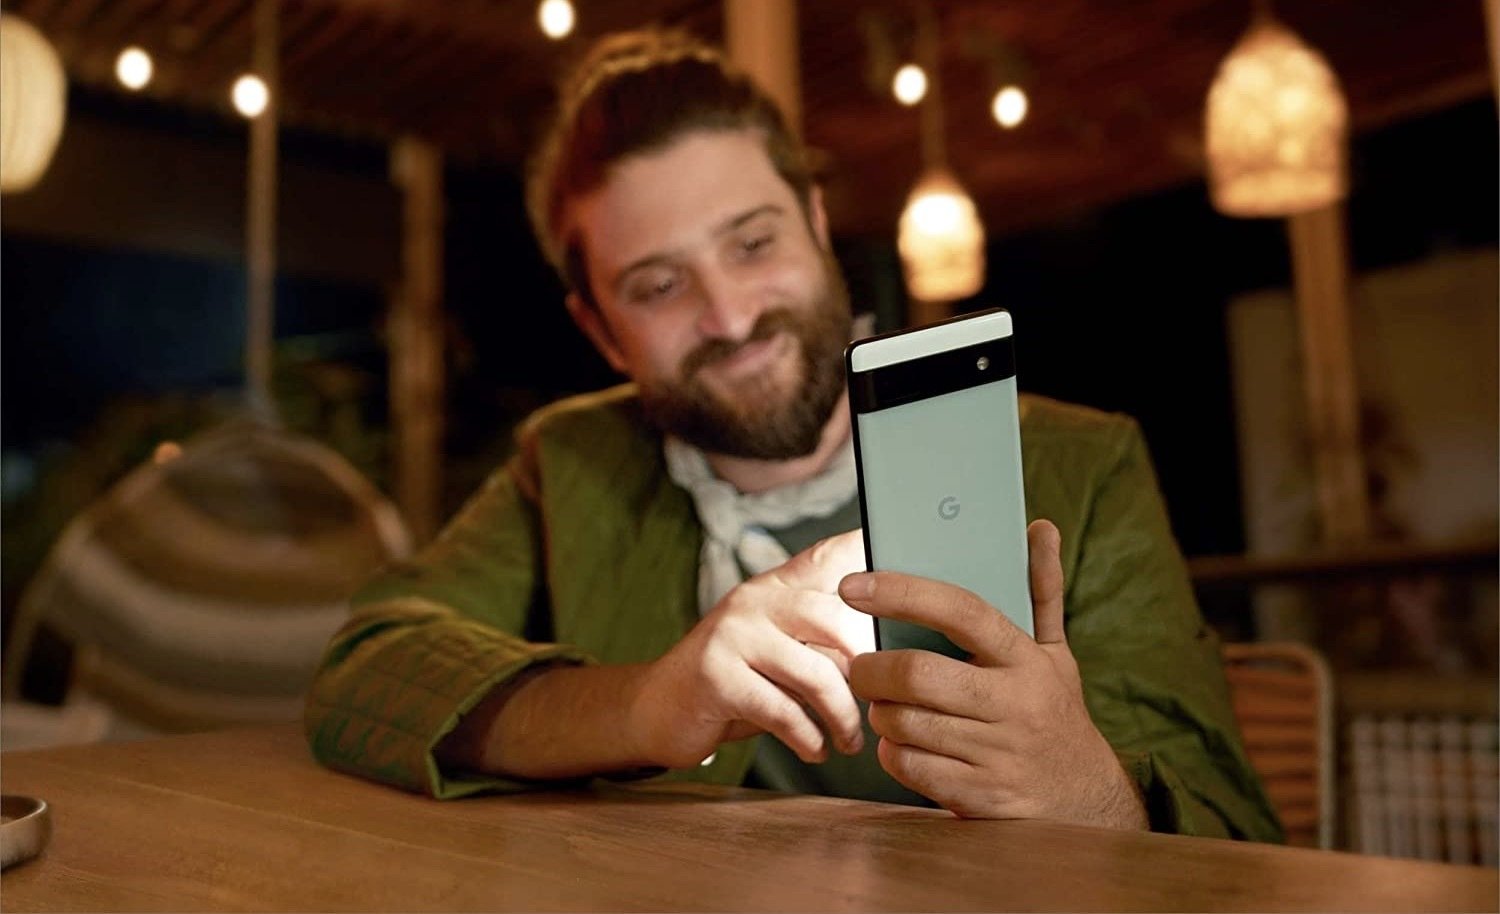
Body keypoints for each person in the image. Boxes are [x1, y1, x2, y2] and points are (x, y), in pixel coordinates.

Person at [305, 28, 1281, 841]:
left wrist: (1084, 789)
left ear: (816, 224)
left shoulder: (1081, 463)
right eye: (658, 284)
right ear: (599, 329)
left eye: (753, 241)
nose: (728, 315)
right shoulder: (567, 461)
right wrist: (651, 704)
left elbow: (1236, 831)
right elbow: (369, 671)